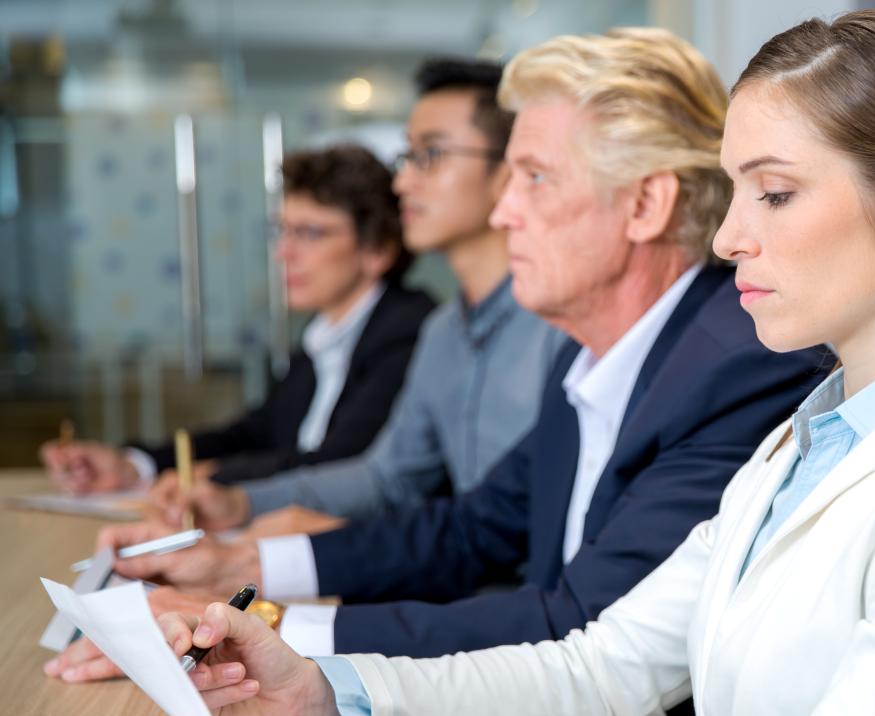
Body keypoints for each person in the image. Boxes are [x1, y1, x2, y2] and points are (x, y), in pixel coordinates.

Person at [150, 11, 875, 716]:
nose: (728, 237)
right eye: (737, 192)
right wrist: (320, 693)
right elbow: (598, 672)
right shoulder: (804, 442)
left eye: (775, 193)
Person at [50, 28, 826, 716]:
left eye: (533, 177)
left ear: (645, 204)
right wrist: (246, 575)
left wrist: (275, 626)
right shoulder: (592, 351)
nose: (504, 209)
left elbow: (578, 629)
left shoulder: (740, 365)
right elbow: (472, 526)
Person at [144, 58, 567, 531]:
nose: (402, 182)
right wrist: (242, 503)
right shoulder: (444, 332)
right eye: (407, 157)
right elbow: (388, 478)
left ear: (509, 172)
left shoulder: (561, 325)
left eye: (431, 154)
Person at [40, 146, 435, 494]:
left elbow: (341, 465)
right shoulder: (324, 333)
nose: (283, 252)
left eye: (310, 234)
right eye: (281, 231)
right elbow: (257, 433)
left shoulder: (410, 332)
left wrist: (216, 478)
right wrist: (134, 465)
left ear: (378, 248)